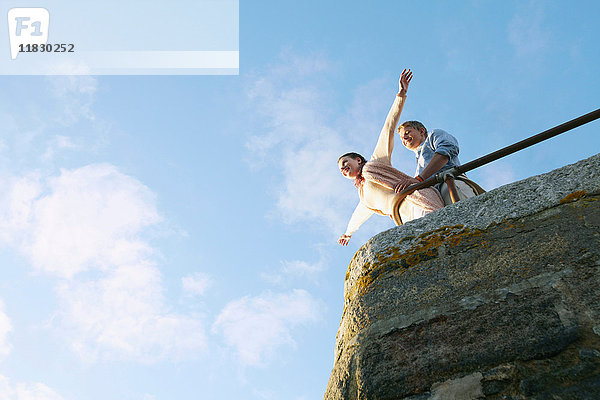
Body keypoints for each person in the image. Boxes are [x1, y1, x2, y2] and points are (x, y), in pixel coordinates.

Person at [338, 70, 444, 246]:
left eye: (344, 163)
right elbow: (358, 215)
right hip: (405, 219)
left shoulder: (375, 164)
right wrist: (348, 233)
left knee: (441, 234)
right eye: (340, 170)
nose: (343, 169)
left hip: (419, 202)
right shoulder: (364, 196)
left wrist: (401, 95)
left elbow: (388, 127)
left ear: (357, 159)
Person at [396, 120, 484, 205]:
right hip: (435, 197)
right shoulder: (419, 164)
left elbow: (447, 149)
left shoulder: (433, 136)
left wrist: (419, 179)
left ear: (421, 131)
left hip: (450, 184)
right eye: (401, 138)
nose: (404, 138)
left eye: (407, 132)